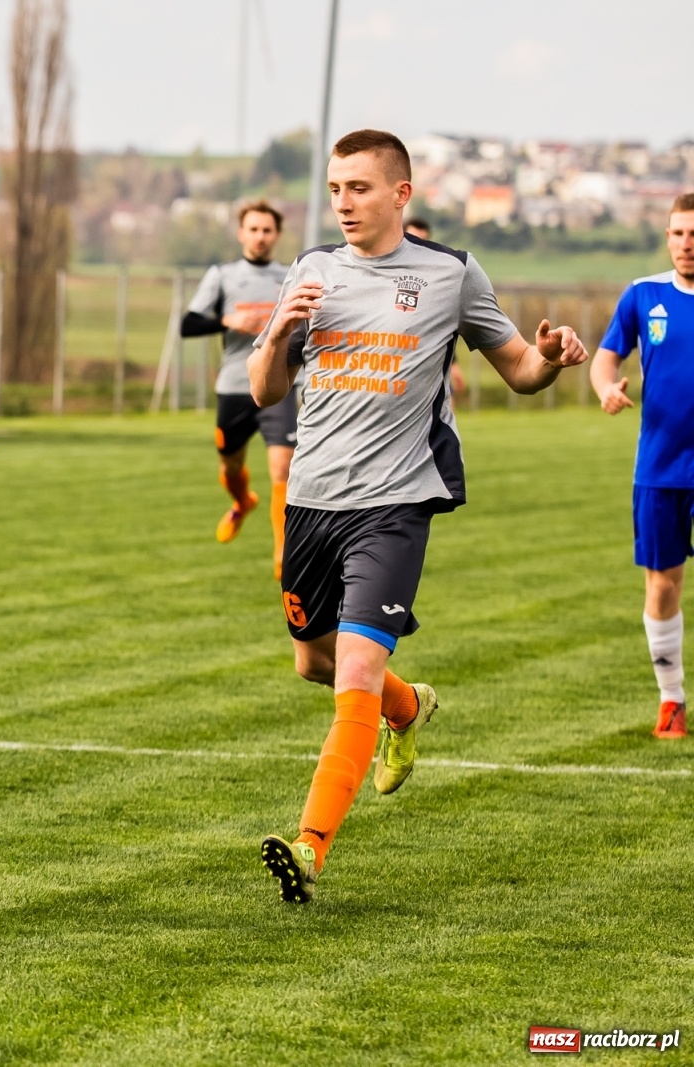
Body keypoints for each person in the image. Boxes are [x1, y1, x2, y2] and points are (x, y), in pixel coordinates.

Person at [246, 129, 588, 903]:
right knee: (314, 660)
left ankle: (308, 847)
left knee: (354, 674)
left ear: (402, 194)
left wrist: (552, 358)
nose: (343, 204)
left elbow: (520, 371)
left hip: (396, 504)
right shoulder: (313, 269)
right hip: (311, 500)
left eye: (359, 189)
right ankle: (410, 707)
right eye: (335, 189)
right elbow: (266, 389)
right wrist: (278, 329)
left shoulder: (451, 275)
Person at [589, 192, 694, 740]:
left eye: (693, 233)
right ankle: (672, 700)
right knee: (662, 586)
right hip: (660, 468)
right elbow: (607, 358)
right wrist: (607, 389)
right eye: (678, 233)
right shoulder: (643, 295)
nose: (686, 244)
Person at [181, 200, 293, 575]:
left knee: (283, 467)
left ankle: (283, 554)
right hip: (234, 386)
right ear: (241, 232)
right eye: (254, 229)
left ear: (277, 235)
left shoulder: (291, 275)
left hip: (278, 384)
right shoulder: (222, 275)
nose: (260, 237)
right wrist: (229, 319)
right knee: (230, 467)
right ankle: (243, 501)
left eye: (267, 230)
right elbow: (188, 325)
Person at [406, 218, 468, 397]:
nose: (418, 245)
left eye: (423, 240)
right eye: (412, 238)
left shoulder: (436, 279)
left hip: (429, 368)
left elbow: (441, 327)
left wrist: (453, 364)